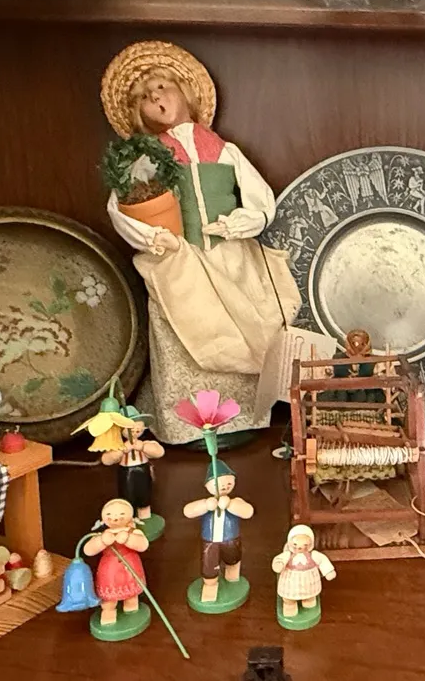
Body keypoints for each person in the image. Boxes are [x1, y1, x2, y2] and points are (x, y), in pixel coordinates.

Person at [100, 41, 300, 446]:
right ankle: (189, 424)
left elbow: (261, 198)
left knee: (244, 327)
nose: (156, 98)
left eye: (162, 87)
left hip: (230, 255)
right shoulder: (145, 159)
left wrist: (249, 220)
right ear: (138, 113)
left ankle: (239, 419)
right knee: (184, 333)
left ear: (185, 93)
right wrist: (150, 236)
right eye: (145, 96)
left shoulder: (223, 150)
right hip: (181, 259)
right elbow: (119, 207)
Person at [182, 461, 255, 603]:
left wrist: (230, 504)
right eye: (219, 484)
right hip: (210, 542)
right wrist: (205, 505)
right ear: (207, 486)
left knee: (233, 560)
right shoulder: (207, 504)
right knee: (209, 565)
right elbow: (188, 511)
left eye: (229, 483)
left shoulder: (235, 501)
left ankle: (232, 577)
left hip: (231, 540)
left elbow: (248, 512)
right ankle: (210, 585)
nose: (225, 487)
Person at [81, 499, 150, 628]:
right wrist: (102, 541)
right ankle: (108, 612)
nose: (115, 518)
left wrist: (128, 539)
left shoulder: (133, 532)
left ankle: (131, 606)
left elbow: (143, 545)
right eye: (109, 515)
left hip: (130, 565)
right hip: (110, 569)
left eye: (121, 514)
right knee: (109, 596)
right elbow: (88, 550)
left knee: (131, 592)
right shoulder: (102, 534)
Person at [271, 525, 337, 619]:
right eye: (295, 544)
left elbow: (322, 561)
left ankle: (308, 599)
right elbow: (279, 559)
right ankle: (290, 604)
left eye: (305, 545)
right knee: (289, 595)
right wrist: (278, 564)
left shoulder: (313, 555)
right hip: (291, 578)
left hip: (309, 578)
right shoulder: (288, 555)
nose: (300, 547)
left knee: (310, 593)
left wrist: (328, 571)